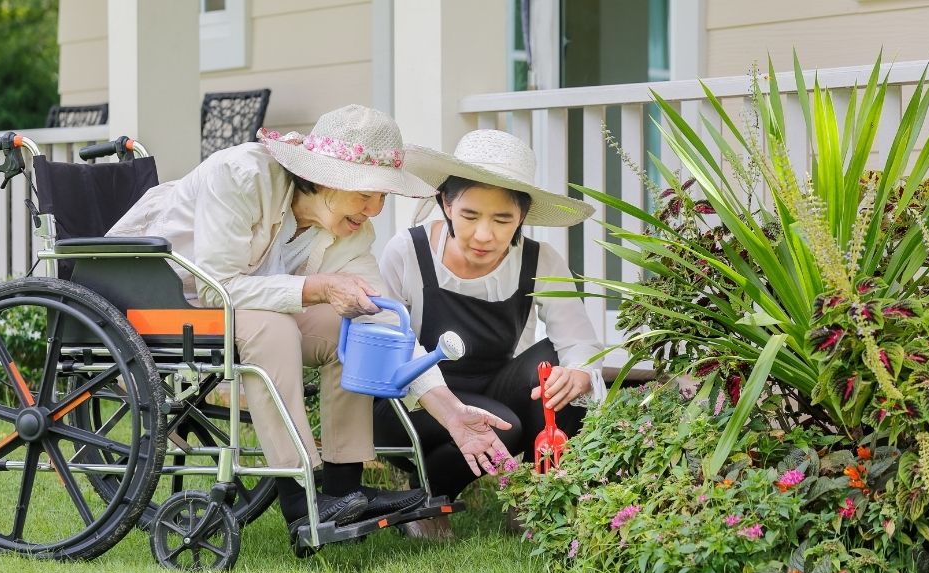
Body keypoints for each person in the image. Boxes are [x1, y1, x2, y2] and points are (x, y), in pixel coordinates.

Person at [106, 105, 513, 540]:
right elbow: (216, 286)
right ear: (325, 178)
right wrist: (316, 288)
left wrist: (450, 411)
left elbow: (386, 322)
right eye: (367, 194)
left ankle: (343, 488)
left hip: (242, 309)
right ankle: (301, 497)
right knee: (275, 325)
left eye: (382, 197)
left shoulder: (351, 231)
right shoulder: (241, 175)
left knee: (358, 329)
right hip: (160, 298)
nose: (375, 209)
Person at [375, 129, 605, 536]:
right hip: (411, 403)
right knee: (505, 425)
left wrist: (580, 374)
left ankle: (539, 501)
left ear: (522, 216)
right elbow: (388, 346)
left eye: (502, 220)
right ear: (446, 203)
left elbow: (578, 341)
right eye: (469, 216)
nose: (485, 234)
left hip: (492, 388)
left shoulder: (539, 259)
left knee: (556, 368)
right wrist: (445, 404)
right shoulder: (407, 251)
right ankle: (428, 498)